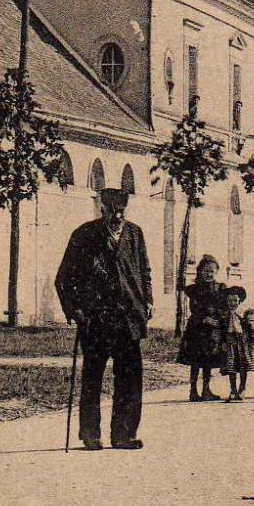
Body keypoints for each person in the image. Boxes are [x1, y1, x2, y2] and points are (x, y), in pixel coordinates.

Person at [55, 187, 152, 450]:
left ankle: (124, 435)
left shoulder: (134, 233)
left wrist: (147, 301)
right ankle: (90, 434)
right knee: (93, 376)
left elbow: (144, 270)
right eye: (113, 211)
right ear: (103, 209)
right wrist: (75, 311)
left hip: (128, 318)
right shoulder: (84, 235)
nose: (118, 216)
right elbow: (63, 278)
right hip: (96, 320)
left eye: (122, 211)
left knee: (130, 378)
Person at [176, 255, 225, 401]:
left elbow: (222, 306)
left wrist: (219, 319)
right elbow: (194, 308)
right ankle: (193, 390)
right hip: (197, 329)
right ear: (200, 272)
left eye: (212, 271)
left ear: (216, 272)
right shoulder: (195, 289)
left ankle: (206, 389)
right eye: (206, 271)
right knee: (195, 360)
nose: (209, 274)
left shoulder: (219, 288)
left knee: (208, 360)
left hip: (211, 331)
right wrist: (205, 318)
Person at [218, 285, 253, 401]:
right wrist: (222, 342)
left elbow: (251, 329)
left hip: (242, 341)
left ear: (240, 300)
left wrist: (252, 341)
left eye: (235, 300)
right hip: (230, 341)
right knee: (231, 366)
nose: (232, 303)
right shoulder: (224, 315)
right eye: (229, 301)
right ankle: (233, 389)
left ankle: (242, 388)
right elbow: (221, 329)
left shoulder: (244, 313)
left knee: (243, 365)